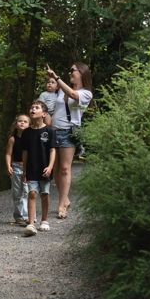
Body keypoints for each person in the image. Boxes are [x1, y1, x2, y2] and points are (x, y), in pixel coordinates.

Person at [46, 62, 93, 219]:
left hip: (68, 132)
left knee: (65, 169)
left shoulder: (86, 93)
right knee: (56, 169)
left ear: (82, 73)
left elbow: (73, 95)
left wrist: (56, 78)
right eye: (70, 69)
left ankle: (61, 204)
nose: (70, 72)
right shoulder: (61, 90)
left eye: (73, 70)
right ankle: (64, 198)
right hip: (54, 131)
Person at [21, 101, 56, 236]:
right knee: (32, 193)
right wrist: (24, 171)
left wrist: (50, 166)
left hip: (45, 169)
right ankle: (31, 224)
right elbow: (25, 152)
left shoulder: (50, 131)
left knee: (45, 194)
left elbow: (53, 150)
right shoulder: (26, 133)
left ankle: (45, 220)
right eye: (31, 107)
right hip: (31, 169)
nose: (33, 109)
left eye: (36, 107)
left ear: (44, 114)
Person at [5, 114, 31, 226]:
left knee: (27, 192)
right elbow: (8, 154)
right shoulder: (12, 139)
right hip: (16, 167)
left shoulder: (31, 138)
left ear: (29, 125)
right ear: (16, 124)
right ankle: (19, 216)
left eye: (25, 121)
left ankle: (27, 216)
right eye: (20, 121)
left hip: (28, 168)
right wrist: (8, 166)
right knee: (17, 193)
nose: (22, 123)